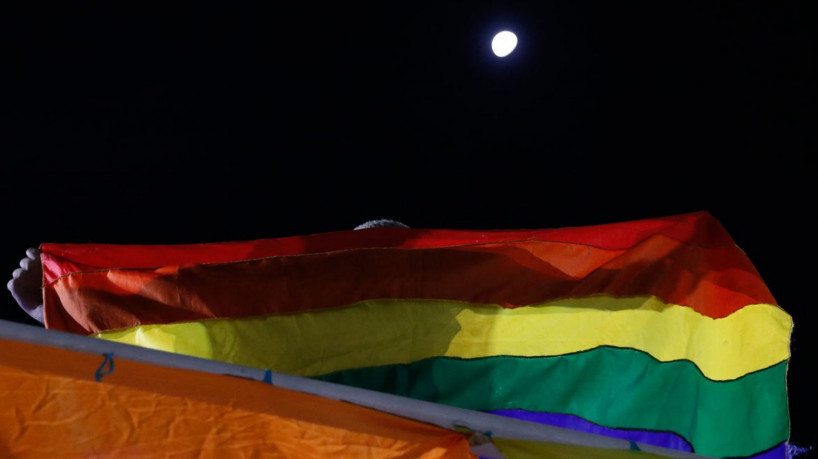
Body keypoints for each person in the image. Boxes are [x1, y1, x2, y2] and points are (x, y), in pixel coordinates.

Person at [7, 219, 408, 325]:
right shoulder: (286, 321)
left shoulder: (461, 330)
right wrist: (52, 313)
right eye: (354, 258)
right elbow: (171, 333)